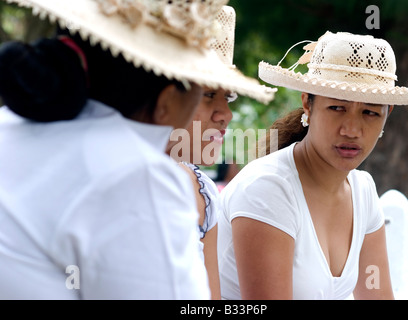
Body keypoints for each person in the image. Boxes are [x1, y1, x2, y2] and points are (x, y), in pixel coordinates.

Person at [0, 0, 274, 299]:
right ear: (167, 101)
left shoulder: (11, 124)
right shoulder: (135, 174)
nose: (226, 114)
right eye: (204, 93)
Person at [218, 31, 408, 300]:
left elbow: (377, 296)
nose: (351, 129)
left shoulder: (362, 192)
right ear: (307, 105)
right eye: (337, 108)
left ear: (387, 115)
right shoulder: (268, 189)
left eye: (370, 113)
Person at [167, 5, 273, 300]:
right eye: (209, 95)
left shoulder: (205, 193)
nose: (225, 114)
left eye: (228, 97)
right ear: (165, 93)